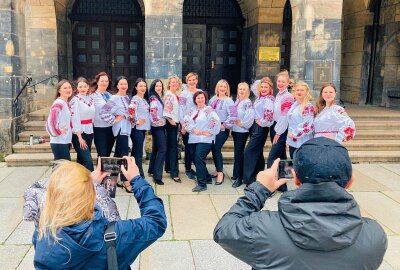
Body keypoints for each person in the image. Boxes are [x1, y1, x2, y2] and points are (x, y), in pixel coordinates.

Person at [214, 137, 387, 270]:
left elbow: (223, 230)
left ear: (295, 179)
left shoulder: (261, 228)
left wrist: (260, 189)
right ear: (350, 181)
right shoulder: (374, 237)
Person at [32, 156, 166, 269]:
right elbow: (156, 221)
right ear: (89, 197)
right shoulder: (114, 235)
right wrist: (136, 180)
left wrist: (89, 184)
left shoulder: (42, 230)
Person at [100, 76, 132, 193]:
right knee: (124, 156)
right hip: (120, 130)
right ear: (117, 86)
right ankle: (126, 181)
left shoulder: (127, 98)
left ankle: (110, 184)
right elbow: (103, 112)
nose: (124, 86)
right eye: (121, 84)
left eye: (125, 83)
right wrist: (114, 119)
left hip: (127, 128)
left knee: (118, 156)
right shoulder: (114, 98)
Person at [184, 91, 220, 192]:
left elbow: (216, 121)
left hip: (205, 139)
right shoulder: (191, 110)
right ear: (195, 100)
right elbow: (185, 121)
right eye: (198, 98)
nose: (200, 100)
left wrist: (209, 132)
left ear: (205, 99)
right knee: (195, 159)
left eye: (202, 98)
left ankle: (202, 184)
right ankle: (207, 177)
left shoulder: (208, 110)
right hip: (193, 138)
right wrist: (193, 129)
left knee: (198, 157)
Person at [243, 77, 275, 186]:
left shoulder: (269, 99)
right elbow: (254, 86)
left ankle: (249, 179)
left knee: (249, 152)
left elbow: (269, 116)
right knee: (257, 152)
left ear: (270, 88)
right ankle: (258, 175)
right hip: (255, 127)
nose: (263, 89)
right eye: (261, 87)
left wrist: (262, 122)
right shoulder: (260, 98)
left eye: (266, 87)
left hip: (260, 128)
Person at [266, 70, 294, 192]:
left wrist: (278, 132)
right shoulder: (279, 95)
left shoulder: (288, 96)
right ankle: (283, 185)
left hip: (281, 129)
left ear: (287, 83)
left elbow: (285, 116)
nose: (280, 83)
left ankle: (267, 185)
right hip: (276, 126)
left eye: (283, 82)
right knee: (282, 155)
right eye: (279, 81)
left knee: (272, 157)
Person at [209, 79, 234, 185]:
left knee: (216, 148)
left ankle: (220, 173)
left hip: (222, 129)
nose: (223, 88)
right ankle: (217, 169)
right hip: (212, 128)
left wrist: (224, 125)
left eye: (225, 87)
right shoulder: (213, 99)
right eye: (221, 86)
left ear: (227, 89)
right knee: (214, 149)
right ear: (217, 88)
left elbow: (232, 115)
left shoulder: (229, 101)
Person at [230, 82, 255, 188]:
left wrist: (243, 124)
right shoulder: (238, 101)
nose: (241, 91)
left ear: (248, 91)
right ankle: (236, 174)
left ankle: (240, 177)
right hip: (236, 131)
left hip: (242, 131)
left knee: (239, 153)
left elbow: (250, 117)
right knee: (237, 153)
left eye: (244, 89)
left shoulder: (247, 103)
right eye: (240, 89)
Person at [180, 72, 202, 180]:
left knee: (197, 148)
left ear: (197, 81)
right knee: (188, 148)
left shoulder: (200, 92)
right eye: (189, 80)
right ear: (186, 81)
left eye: (194, 80)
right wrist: (183, 125)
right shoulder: (183, 94)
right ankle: (188, 169)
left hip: (199, 125)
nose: (192, 82)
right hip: (188, 125)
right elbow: (181, 109)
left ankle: (197, 167)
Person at [70, 77, 95, 171]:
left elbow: (92, 116)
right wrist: (79, 137)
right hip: (79, 133)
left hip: (89, 131)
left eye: (85, 86)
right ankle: (93, 182)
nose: (83, 88)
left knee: (81, 159)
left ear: (88, 87)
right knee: (88, 160)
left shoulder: (90, 99)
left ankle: (79, 181)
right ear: (77, 88)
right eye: (80, 86)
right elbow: (75, 118)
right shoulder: (75, 100)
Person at [46, 79, 73, 161]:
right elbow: (51, 121)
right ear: (59, 90)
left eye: (69, 87)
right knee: (62, 168)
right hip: (59, 141)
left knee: (60, 168)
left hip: (64, 141)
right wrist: (58, 131)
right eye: (65, 88)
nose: (68, 90)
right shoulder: (59, 103)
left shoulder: (65, 103)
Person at [286, 81, 315, 159]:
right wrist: (289, 139)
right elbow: (291, 123)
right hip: (293, 141)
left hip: (303, 141)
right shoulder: (294, 105)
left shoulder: (308, 106)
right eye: (297, 90)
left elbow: (309, 126)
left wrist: (294, 134)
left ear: (306, 92)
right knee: (294, 163)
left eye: (302, 90)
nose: (299, 92)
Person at [128, 78, 150, 177]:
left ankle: (132, 174)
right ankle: (140, 175)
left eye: (144, 86)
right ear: (136, 87)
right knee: (138, 154)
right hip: (136, 130)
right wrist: (137, 121)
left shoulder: (144, 99)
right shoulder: (135, 99)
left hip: (142, 130)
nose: (143, 88)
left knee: (135, 153)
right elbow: (130, 112)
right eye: (140, 86)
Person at [90, 72, 115, 157]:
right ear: (97, 82)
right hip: (99, 128)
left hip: (111, 128)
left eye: (106, 81)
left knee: (107, 154)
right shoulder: (92, 96)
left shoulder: (110, 95)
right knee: (102, 154)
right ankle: (100, 170)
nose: (104, 83)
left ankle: (103, 170)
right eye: (102, 81)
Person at [163, 75, 182, 183]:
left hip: (175, 122)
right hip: (172, 124)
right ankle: (174, 174)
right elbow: (167, 110)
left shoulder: (175, 95)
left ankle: (169, 168)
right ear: (169, 84)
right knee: (174, 148)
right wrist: (171, 121)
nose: (175, 84)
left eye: (176, 82)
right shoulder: (169, 95)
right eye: (172, 82)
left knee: (171, 146)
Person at [148, 79, 167, 185]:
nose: (159, 88)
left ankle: (151, 170)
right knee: (162, 149)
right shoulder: (154, 99)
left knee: (156, 149)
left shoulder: (157, 97)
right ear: (153, 88)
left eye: (160, 86)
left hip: (157, 127)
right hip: (157, 127)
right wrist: (156, 121)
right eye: (157, 86)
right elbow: (153, 111)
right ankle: (157, 176)